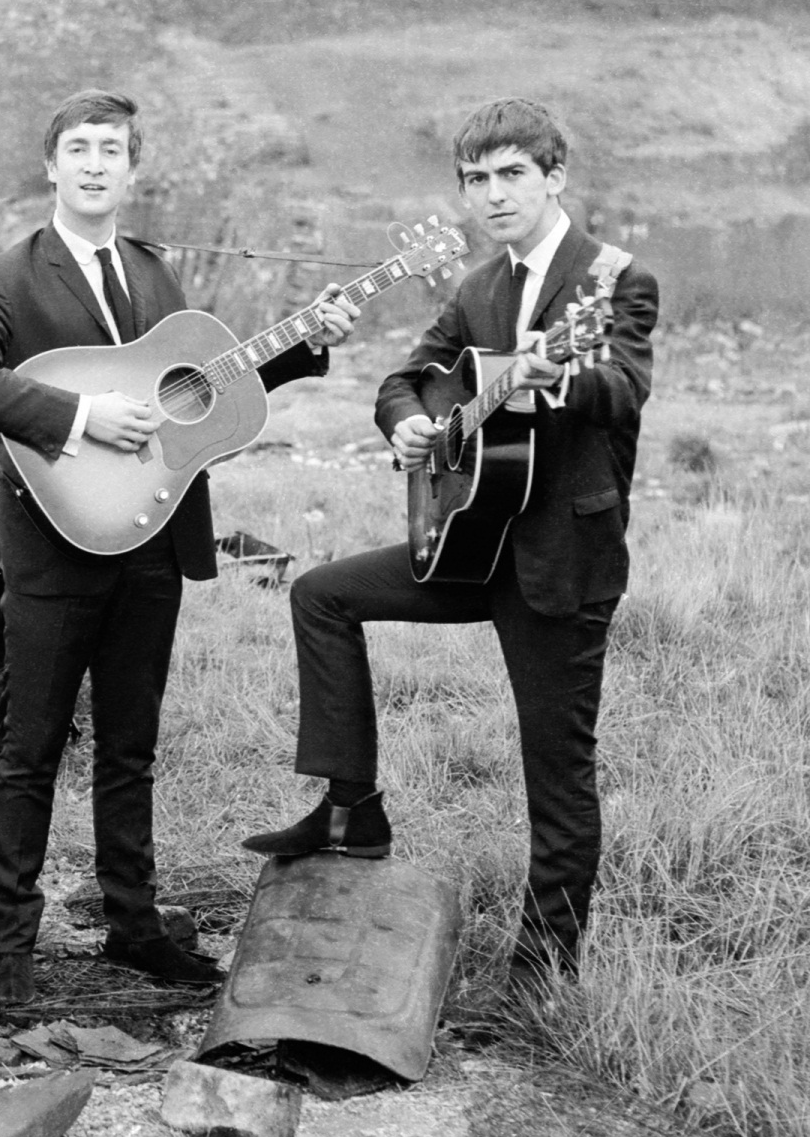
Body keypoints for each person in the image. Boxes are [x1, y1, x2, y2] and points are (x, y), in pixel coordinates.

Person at [0, 89, 357, 1005]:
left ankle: (134, 926)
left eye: (112, 150)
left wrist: (305, 343)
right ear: (51, 166)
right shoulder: (7, 277)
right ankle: (9, 956)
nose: (95, 164)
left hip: (154, 541)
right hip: (53, 548)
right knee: (30, 752)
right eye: (79, 148)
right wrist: (81, 414)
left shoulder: (156, 277)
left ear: (132, 169)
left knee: (132, 749)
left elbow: (201, 388)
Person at [243, 98, 658, 996]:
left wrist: (556, 376)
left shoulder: (613, 278)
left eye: (513, 174)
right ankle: (351, 810)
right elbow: (404, 380)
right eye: (477, 179)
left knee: (555, 774)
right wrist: (410, 424)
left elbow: (625, 389)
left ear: (554, 177)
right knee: (321, 594)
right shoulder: (479, 288)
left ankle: (540, 979)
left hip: (558, 561)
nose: (494, 194)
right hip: (470, 543)